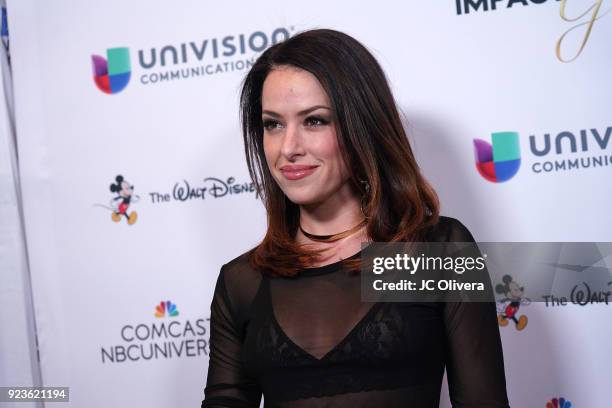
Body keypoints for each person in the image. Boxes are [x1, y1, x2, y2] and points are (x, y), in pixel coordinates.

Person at [201, 29, 510, 407]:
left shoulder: (434, 252)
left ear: (361, 124)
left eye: (314, 121)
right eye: (273, 124)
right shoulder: (242, 282)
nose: (288, 147)